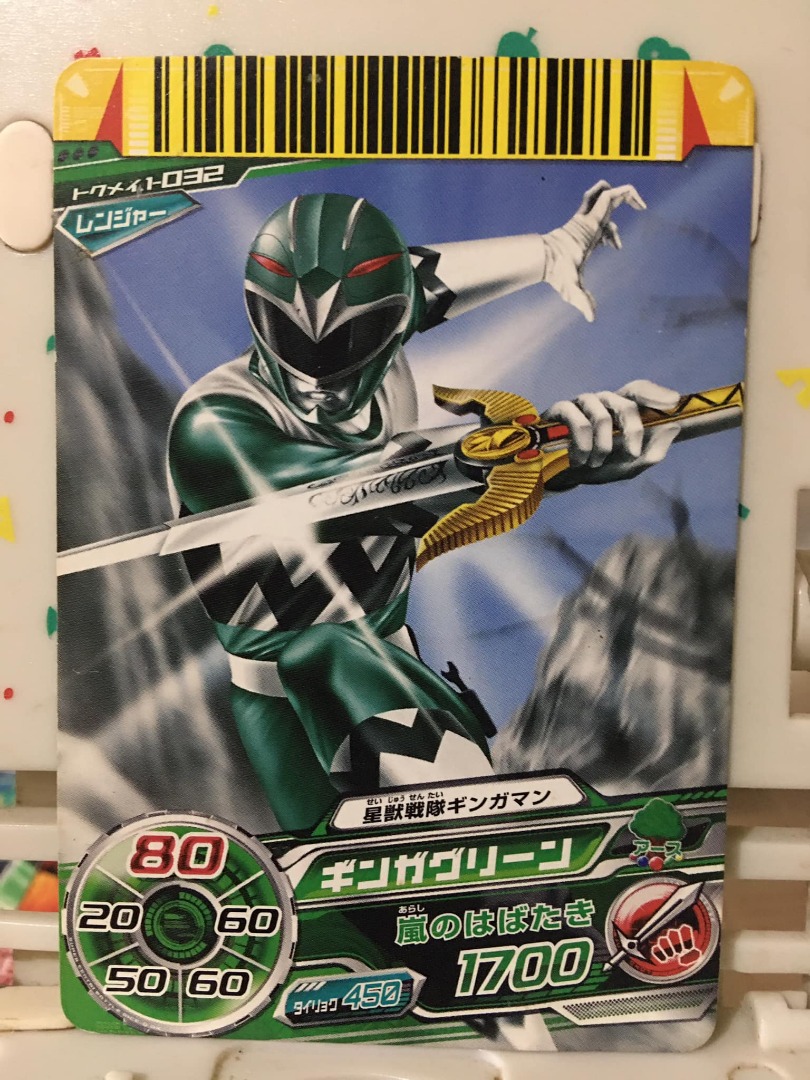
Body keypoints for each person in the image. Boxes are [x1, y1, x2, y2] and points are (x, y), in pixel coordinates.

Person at [167, 182, 681, 831]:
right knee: (321, 659)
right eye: (291, 338)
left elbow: (430, 276)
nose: (317, 378)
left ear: (395, 320)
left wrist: (558, 249)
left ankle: (482, 837)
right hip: (284, 695)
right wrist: (537, 453)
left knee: (348, 662)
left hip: (393, 665)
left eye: (351, 341)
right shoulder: (212, 427)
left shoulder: (388, 309)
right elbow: (355, 491)